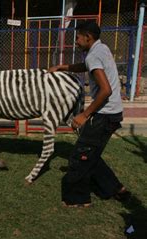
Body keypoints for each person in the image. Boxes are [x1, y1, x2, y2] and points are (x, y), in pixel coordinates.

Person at [48, 21, 130, 207]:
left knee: (80, 156)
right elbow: (84, 66)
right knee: (91, 154)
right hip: (112, 113)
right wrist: (63, 67)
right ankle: (116, 189)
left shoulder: (94, 56)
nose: (75, 41)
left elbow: (105, 90)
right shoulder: (101, 49)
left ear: (88, 37)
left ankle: (77, 199)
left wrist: (84, 115)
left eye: (77, 37)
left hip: (104, 115)